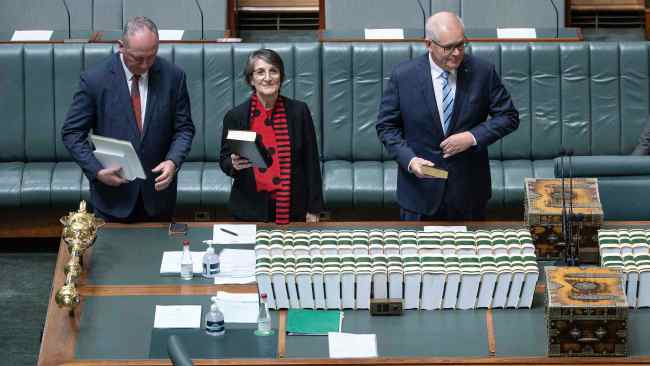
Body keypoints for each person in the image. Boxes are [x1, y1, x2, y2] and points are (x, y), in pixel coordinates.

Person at [376, 12, 519, 221]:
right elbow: (386, 127)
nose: (456, 53)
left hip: (469, 194)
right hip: (420, 195)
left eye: (461, 45)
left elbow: (509, 116)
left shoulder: (483, 72)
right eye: (448, 47)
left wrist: (471, 137)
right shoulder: (403, 77)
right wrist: (411, 160)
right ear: (428, 44)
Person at [61, 17, 195, 222]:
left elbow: (184, 129)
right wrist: (97, 171)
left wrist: (173, 161)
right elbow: (72, 134)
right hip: (113, 196)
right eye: (138, 58)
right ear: (121, 47)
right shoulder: (95, 79)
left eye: (151, 56)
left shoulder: (174, 77)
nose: (145, 64)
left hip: (158, 196)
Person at [220, 49, 323, 224]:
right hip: (248, 208)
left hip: (293, 209)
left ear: (281, 77)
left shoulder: (299, 112)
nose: (267, 78)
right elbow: (224, 160)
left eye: (273, 71)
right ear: (251, 79)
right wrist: (233, 164)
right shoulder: (235, 116)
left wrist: (314, 208)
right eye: (260, 72)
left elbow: (311, 162)